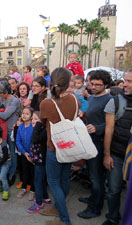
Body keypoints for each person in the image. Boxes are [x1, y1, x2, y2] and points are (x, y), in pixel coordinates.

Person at [39, 67, 81, 225]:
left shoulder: (47, 103)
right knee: (64, 179)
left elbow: (43, 121)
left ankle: (64, 219)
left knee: (54, 182)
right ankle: (58, 207)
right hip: (70, 146)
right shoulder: (75, 100)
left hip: (54, 148)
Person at [77, 70, 112, 220]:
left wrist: (97, 128)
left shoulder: (110, 99)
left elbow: (112, 124)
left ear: (106, 85)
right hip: (89, 142)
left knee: (97, 177)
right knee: (92, 175)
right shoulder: (90, 98)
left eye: (98, 85)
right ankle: (93, 198)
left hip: (99, 143)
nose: (94, 87)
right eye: (92, 84)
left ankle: (95, 208)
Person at [103, 70, 132, 225]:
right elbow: (109, 130)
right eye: (125, 80)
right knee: (114, 189)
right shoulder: (115, 101)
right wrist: (107, 155)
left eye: (130, 81)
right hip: (117, 154)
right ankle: (113, 217)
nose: (125, 84)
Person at [0, 80, 21, 186]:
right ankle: (5, 173)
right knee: (4, 154)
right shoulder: (1, 99)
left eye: (1, 93)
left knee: (12, 154)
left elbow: (5, 115)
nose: (0, 95)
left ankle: (11, 175)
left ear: (6, 92)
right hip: (2, 130)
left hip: (11, 131)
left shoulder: (14, 101)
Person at [27, 111, 51, 214]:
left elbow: (34, 140)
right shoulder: (39, 129)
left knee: (38, 181)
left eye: (36, 119)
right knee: (40, 180)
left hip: (41, 161)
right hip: (37, 160)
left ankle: (39, 203)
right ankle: (46, 198)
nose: (33, 121)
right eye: (32, 118)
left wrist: (37, 126)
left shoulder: (44, 130)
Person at [16, 107, 35, 200]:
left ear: (31, 116)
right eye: (23, 113)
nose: (24, 115)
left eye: (27, 114)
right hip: (24, 154)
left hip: (33, 155)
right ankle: (24, 188)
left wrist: (31, 154)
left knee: (33, 172)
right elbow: (18, 141)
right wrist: (25, 153)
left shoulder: (33, 127)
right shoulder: (20, 127)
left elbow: (35, 142)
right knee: (24, 171)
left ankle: (33, 190)